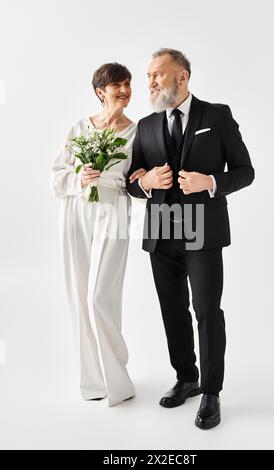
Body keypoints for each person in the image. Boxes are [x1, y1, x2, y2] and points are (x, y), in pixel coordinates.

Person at [126, 48, 255, 429]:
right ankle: (187, 378)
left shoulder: (216, 115)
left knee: (206, 310)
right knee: (172, 310)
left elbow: (245, 171)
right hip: (161, 230)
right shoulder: (146, 125)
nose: (149, 81)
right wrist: (146, 182)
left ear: (182, 77)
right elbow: (133, 180)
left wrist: (211, 182)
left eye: (157, 75)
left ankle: (212, 393)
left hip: (203, 227)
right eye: (148, 75)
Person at [50, 63, 146, 406]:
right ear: (99, 91)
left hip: (115, 211)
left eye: (127, 84)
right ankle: (92, 382)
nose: (124, 90)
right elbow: (56, 177)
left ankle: (117, 378)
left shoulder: (138, 132)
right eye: (117, 85)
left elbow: (137, 178)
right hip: (76, 211)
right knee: (78, 295)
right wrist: (80, 179)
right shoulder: (79, 127)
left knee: (99, 296)